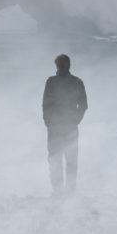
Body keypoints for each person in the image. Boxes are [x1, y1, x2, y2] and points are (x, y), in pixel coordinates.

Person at [42, 53, 87, 196]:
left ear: (57, 66)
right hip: (70, 126)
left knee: (55, 158)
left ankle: (58, 191)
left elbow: (45, 105)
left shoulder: (51, 82)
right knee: (71, 160)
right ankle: (69, 191)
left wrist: (48, 122)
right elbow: (84, 105)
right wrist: (76, 120)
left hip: (55, 126)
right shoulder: (77, 82)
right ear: (69, 65)